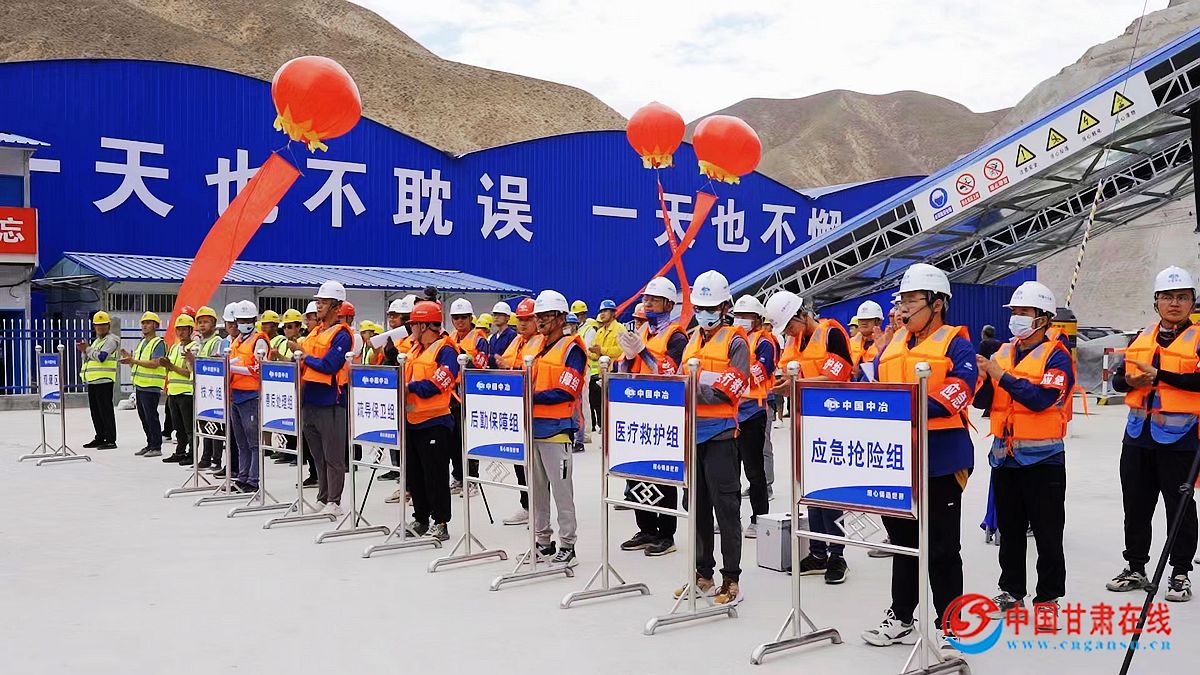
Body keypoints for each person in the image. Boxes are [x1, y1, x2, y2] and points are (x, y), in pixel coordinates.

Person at [860, 263, 977, 658]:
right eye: (902, 301)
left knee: (942, 547)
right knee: (903, 544)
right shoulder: (890, 344)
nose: (903, 308)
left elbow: (960, 391)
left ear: (937, 303)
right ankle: (901, 617)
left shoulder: (956, 344)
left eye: (912, 300)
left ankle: (952, 626)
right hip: (897, 460)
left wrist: (904, 408)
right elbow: (868, 384)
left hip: (942, 459)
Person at [971, 281, 1074, 616]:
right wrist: (981, 378)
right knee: (1010, 531)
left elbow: (1042, 398)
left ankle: (1048, 599)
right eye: (1014, 311)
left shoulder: (1057, 356)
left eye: (1024, 312)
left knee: (1047, 533)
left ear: (1042, 318)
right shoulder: (1002, 353)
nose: (1016, 318)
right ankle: (1011, 591)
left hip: (1044, 458)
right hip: (1005, 456)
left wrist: (1000, 376)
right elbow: (984, 401)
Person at [1106, 265, 1198, 603]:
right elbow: (1118, 380)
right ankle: (1135, 567)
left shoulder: (1198, 338)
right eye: (1167, 297)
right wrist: (1130, 381)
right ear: (1156, 301)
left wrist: (1160, 376)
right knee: (1136, 505)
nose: (1174, 303)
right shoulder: (1141, 337)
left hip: (1180, 437)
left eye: (1182, 297)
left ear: (1192, 302)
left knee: (1180, 507)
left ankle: (1180, 573)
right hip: (1137, 435)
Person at [672, 270, 749, 605]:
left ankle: (731, 579)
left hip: (720, 435)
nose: (705, 314)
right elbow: (679, 380)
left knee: (726, 508)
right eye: (701, 307)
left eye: (711, 307)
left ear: (725, 307)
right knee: (697, 507)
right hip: (693, 435)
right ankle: (703, 574)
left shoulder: (736, 342)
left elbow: (728, 390)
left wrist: (692, 388)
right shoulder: (692, 339)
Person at [768, 292, 854, 584]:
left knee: (832, 492)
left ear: (802, 315)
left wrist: (794, 385)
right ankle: (817, 552)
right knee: (811, 492)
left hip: (834, 423)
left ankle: (837, 554)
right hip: (806, 423)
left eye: (790, 326)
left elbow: (838, 376)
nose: (789, 333)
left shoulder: (831, 335)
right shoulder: (794, 342)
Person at [618, 277, 688, 556]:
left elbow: (670, 372)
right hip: (637, 410)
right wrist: (626, 357)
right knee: (637, 472)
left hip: (663, 413)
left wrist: (642, 351)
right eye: (646, 299)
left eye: (654, 300)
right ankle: (646, 528)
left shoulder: (677, 337)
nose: (647, 304)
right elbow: (625, 371)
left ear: (669, 304)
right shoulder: (642, 331)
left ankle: (666, 534)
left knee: (662, 473)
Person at [529, 290, 586, 567]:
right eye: (538, 315)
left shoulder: (572, 349)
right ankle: (543, 542)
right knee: (537, 492)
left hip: (557, 429)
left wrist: (528, 396)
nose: (540, 320)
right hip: (533, 428)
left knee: (562, 492)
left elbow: (567, 390)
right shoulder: (536, 346)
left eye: (546, 315)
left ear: (561, 318)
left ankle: (568, 545)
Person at [403, 300, 461, 541]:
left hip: (435, 422)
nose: (411, 329)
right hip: (412, 420)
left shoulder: (446, 351)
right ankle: (420, 518)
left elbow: (438, 384)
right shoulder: (415, 349)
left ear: (425, 325)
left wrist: (409, 387)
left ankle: (440, 522)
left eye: (414, 324)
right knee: (415, 475)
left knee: (435, 475)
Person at [297, 281, 353, 515]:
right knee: (318, 455)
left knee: (333, 455)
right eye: (318, 301)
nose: (318, 305)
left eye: (324, 302)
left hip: (331, 401)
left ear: (336, 306)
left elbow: (330, 365)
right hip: (309, 398)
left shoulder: (342, 335)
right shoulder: (316, 332)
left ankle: (334, 501)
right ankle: (322, 497)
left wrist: (304, 358)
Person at [729, 295, 776, 541]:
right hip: (731, 414)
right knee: (730, 471)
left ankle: (759, 517)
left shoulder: (764, 342)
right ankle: (731, 518)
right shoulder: (730, 338)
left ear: (757, 319)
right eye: (738, 316)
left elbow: (761, 371)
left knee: (754, 471)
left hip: (753, 413)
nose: (741, 320)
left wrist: (732, 378)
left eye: (746, 316)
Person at [500, 297, 542, 526]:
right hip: (516, 409)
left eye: (528, 319)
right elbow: (506, 365)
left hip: (537, 411)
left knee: (537, 467)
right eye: (520, 319)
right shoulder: (517, 341)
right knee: (520, 462)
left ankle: (539, 510)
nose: (523, 323)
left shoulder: (542, 342)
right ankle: (527, 506)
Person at [448, 297, 489, 492]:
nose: (460, 321)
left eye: (463, 317)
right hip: (451, 395)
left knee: (468, 439)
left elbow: (481, 365)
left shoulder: (479, 339)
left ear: (471, 318)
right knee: (453, 440)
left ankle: (472, 479)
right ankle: (458, 476)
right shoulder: (450, 338)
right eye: (456, 318)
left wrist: (464, 355)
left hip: (470, 395)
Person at [228, 300, 267, 493]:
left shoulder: (259, 341)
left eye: (247, 320)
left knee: (253, 443)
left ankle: (253, 481)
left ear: (254, 319)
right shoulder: (237, 340)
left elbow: (260, 368)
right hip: (236, 394)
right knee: (241, 442)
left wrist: (233, 367)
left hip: (251, 395)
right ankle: (242, 477)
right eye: (241, 320)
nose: (244, 323)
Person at [122, 311, 167, 458]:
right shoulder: (142, 343)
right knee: (144, 417)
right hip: (140, 385)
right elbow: (137, 364)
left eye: (148, 323)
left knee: (151, 416)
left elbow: (155, 363)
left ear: (155, 326)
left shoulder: (158, 343)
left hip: (151, 386)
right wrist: (130, 360)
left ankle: (156, 446)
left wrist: (133, 360)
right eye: (143, 323)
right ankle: (150, 444)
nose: (144, 325)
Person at [187, 306, 224, 469]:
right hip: (201, 389)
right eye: (200, 322)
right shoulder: (198, 343)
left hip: (213, 390)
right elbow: (191, 368)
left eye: (206, 322)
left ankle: (216, 459)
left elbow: (214, 364)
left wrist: (194, 361)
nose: (202, 325)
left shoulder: (217, 342)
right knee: (203, 425)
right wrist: (190, 360)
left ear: (214, 324)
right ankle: (206, 457)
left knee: (215, 425)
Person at [78, 310, 120, 450]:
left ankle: (110, 439)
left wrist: (87, 349)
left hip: (104, 381)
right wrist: (84, 350)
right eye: (98, 325)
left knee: (105, 411)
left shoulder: (111, 340)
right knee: (95, 412)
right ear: (94, 326)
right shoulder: (97, 341)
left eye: (103, 325)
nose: (101, 328)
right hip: (93, 381)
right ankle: (100, 436)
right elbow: (90, 357)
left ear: (108, 325)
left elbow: (102, 357)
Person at [160, 314, 197, 465]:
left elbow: (190, 372)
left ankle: (192, 454)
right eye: (178, 329)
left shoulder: (193, 348)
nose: (181, 332)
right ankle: (180, 451)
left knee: (189, 428)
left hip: (186, 392)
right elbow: (170, 369)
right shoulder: (175, 347)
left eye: (184, 329)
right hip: (173, 392)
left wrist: (170, 366)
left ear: (190, 330)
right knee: (178, 426)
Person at [587, 299, 625, 433]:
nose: (602, 314)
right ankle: (603, 426)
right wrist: (591, 352)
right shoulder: (600, 332)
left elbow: (621, 350)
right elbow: (594, 353)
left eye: (606, 311)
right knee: (599, 402)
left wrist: (602, 351)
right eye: (601, 311)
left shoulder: (620, 329)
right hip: (600, 374)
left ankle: (613, 427)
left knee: (613, 403)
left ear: (613, 313)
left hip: (614, 372)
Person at [851, 300, 885, 381]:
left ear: (879, 322)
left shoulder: (886, 343)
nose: (863, 323)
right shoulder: (851, 343)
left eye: (868, 319)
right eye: (861, 320)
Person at [488, 301, 518, 367]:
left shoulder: (512, 335)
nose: (496, 317)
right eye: (495, 315)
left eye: (499, 315)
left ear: (507, 317)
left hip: (505, 371)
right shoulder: (493, 337)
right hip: (493, 371)